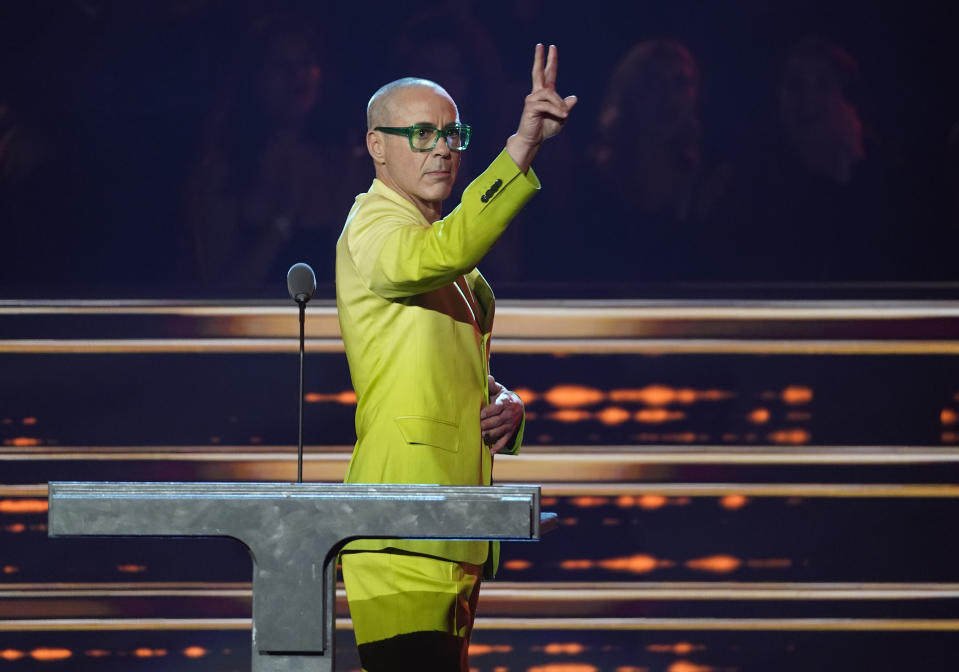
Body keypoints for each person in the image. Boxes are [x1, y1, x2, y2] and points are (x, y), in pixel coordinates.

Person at [335, 44, 576, 671]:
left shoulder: (421, 236)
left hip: (450, 525)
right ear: (376, 146)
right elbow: (446, 251)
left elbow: (439, 360)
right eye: (420, 133)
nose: (442, 148)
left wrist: (502, 402)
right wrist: (520, 148)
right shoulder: (374, 226)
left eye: (450, 133)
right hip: (402, 525)